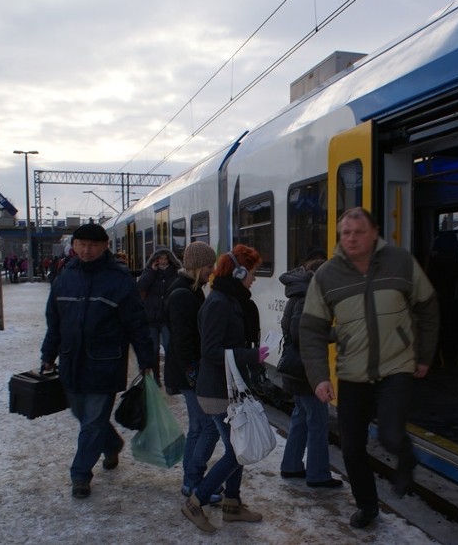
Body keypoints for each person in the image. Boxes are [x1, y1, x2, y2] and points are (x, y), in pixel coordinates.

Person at [300, 207, 439, 529]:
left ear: (375, 232)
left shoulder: (400, 262)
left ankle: (405, 457)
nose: (351, 238)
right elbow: (311, 330)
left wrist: (424, 356)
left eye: (358, 232)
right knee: (351, 448)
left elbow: (428, 306)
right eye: (345, 233)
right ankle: (367, 506)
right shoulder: (327, 275)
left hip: (396, 368)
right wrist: (319, 376)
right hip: (352, 374)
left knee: (391, 435)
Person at [40, 223, 156, 499]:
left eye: (92, 245)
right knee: (82, 415)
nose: (86, 250)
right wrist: (48, 354)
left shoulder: (118, 279)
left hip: (105, 363)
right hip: (71, 361)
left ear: (105, 246)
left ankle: (80, 474)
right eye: (81, 244)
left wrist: (146, 359)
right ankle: (113, 443)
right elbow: (54, 322)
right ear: (74, 246)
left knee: (92, 421)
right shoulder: (65, 276)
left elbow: (137, 324)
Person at [181, 244, 269, 534]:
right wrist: (252, 356)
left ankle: (231, 504)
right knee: (236, 452)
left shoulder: (227, 299)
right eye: (252, 273)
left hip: (227, 388)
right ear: (240, 272)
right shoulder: (219, 302)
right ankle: (197, 501)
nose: (254, 279)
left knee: (238, 447)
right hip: (217, 391)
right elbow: (211, 351)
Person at [164, 241, 223, 504]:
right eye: (209, 266)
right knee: (207, 427)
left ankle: (191, 480)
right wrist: (195, 376)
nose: (212, 271)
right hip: (191, 374)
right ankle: (195, 481)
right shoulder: (182, 295)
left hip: (190, 372)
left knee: (199, 427)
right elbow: (183, 342)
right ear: (198, 265)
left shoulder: (191, 290)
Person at [278, 256, 343, 488]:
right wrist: (337, 333)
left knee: (301, 417)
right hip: (306, 369)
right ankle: (318, 474)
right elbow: (301, 333)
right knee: (317, 421)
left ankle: (291, 464)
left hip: (296, 368)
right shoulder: (308, 296)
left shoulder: (299, 291)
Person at [137, 247, 180, 387]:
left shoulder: (174, 273)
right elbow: (141, 286)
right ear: (155, 260)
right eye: (160, 259)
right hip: (152, 318)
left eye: (165, 259)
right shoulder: (149, 272)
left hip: (167, 318)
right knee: (154, 349)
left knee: (168, 347)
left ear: (169, 259)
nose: (162, 261)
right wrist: (152, 272)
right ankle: (156, 377)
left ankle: (169, 377)